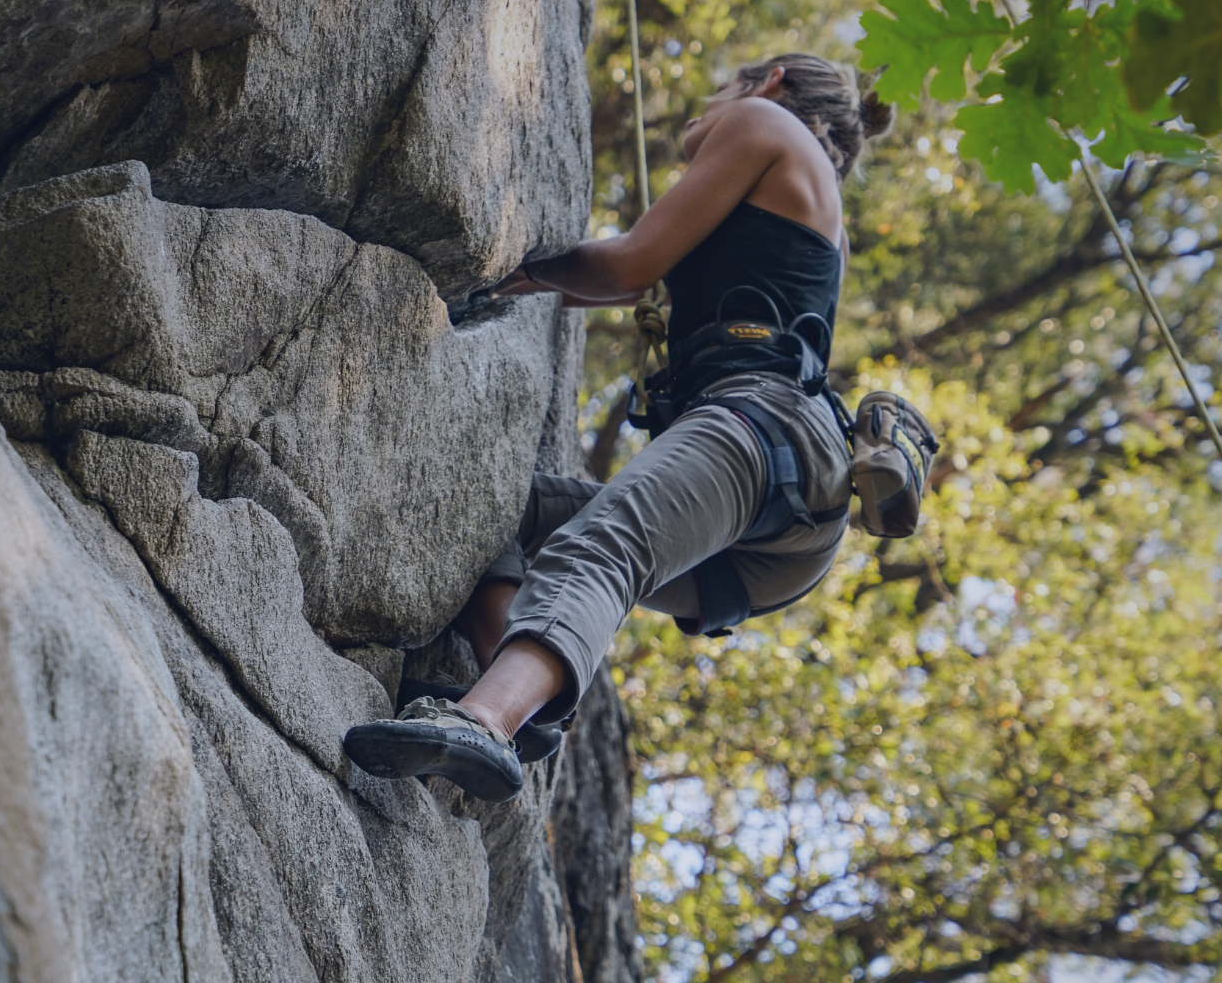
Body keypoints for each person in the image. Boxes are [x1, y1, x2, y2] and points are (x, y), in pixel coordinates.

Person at [343, 54, 894, 802]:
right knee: (495, 504)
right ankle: (522, 695)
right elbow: (609, 283)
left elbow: (630, 267)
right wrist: (532, 277)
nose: (707, 105)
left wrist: (511, 264)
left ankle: (484, 724)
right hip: (780, 535)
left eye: (723, 85)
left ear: (769, 82)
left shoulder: (764, 122)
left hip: (766, 433)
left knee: (603, 546)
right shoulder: (802, 203)